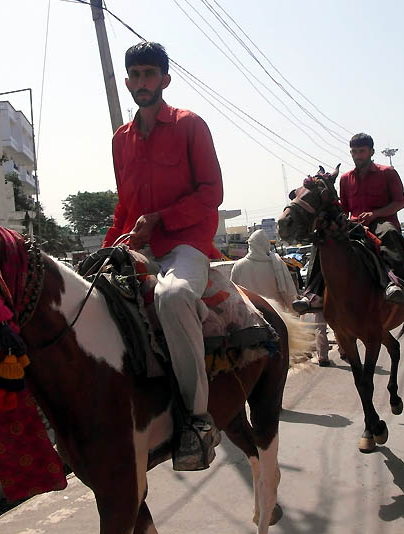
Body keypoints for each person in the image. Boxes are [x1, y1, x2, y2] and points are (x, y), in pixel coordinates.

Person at [102, 42, 223, 471]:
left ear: (165, 80)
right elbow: (124, 207)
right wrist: (106, 250)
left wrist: (160, 220)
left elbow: (212, 194)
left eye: (149, 74)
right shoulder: (121, 139)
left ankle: (197, 420)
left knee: (170, 298)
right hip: (138, 244)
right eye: (134, 75)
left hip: (186, 243)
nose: (140, 82)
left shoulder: (191, 125)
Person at [293, 133, 404, 313]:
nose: (357, 155)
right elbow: (344, 208)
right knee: (322, 239)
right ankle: (311, 292)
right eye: (354, 152)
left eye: (361, 151)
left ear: (371, 151)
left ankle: (396, 283)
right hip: (354, 225)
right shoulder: (345, 178)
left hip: (381, 222)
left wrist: (375, 214)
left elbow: (400, 202)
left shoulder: (387, 173)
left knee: (389, 232)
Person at [230, 230, 297, 312]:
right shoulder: (276, 263)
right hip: (277, 315)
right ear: (266, 244)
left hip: (252, 316)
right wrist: (294, 311)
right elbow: (288, 292)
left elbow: (233, 294)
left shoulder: (239, 265)